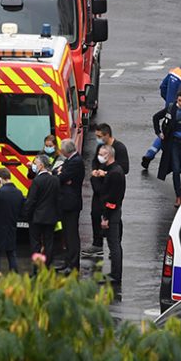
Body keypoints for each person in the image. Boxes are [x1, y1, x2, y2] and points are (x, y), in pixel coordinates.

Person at [141, 55, 181, 170]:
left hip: (169, 107)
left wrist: (168, 101)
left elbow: (163, 86)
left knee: (165, 133)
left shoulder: (174, 71)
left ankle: (149, 155)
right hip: (178, 110)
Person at [81, 124, 129, 259]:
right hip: (99, 188)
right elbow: (95, 162)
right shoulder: (100, 147)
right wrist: (95, 171)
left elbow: (124, 168)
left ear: (107, 135)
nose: (97, 139)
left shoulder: (119, 148)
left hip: (112, 189)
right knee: (95, 214)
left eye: (99, 136)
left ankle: (115, 247)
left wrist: (105, 173)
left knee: (114, 218)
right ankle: (97, 244)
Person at [92, 144, 126, 297]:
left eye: (103, 154)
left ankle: (115, 275)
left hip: (111, 214)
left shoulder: (114, 173)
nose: (100, 156)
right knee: (113, 245)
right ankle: (114, 273)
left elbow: (112, 198)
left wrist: (105, 217)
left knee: (114, 245)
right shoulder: (112, 171)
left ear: (110, 155)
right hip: (112, 212)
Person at [23, 156, 60, 272]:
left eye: (36, 164)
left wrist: (26, 215)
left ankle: (36, 269)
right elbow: (58, 199)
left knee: (35, 244)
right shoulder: (55, 180)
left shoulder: (37, 181)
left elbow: (31, 200)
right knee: (49, 242)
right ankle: (47, 267)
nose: (35, 166)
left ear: (41, 166)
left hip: (37, 218)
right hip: (51, 217)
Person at [53, 139, 84, 273]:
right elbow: (57, 173)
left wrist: (61, 174)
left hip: (71, 204)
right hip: (66, 203)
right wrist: (60, 174)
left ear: (66, 151)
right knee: (66, 235)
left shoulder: (75, 162)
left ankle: (73, 265)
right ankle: (68, 263)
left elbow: (60, 177)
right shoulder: (71, 160)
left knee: (71, 236)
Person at [0, 168, 23, 273]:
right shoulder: (18, 193)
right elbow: (21, 211)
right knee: (11, 252)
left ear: (0, 179)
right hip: (11, 226)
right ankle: (14, 274)